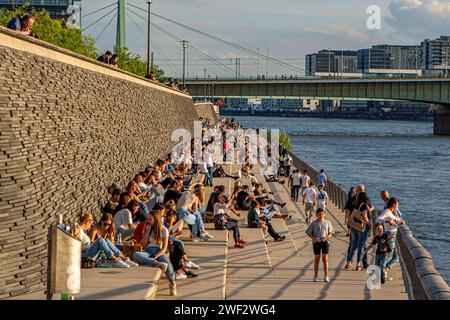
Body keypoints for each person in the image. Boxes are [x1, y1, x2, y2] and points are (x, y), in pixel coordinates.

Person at [133, 212, 177, 296]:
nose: (148, 221)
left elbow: (164, 248)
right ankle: (157, 263)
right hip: (148, 251)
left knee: (167, 263)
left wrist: (155, 256)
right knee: (136, 255)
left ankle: (173, 283)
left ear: (155, 220)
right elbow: (143, 245)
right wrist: (147, 232)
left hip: (159, 251)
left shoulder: (163, 230)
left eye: (150, 219)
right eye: (147, 219)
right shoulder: (147, 228)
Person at [375, 197, 405, 277]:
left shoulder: (392, 212)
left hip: (393, 235)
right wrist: (387, 221)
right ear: (394, 204)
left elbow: (395, 220)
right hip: (389, 234)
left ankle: (384, 271)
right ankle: (380, 271)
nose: (398, 206)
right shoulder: (387, 211)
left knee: (396, 257)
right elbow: (378, 219)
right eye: (397, 204)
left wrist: (400, 221)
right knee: (389, 256)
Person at [305, 208, 334, 282]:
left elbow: (330, 233)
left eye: (322, 214)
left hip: (325, 242)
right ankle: (315, 276)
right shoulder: (314, 223)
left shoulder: (328, 222)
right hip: (317, 242)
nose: (321, 216)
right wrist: (314, 238)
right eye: (319, 214)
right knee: (317, 259)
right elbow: (308, 232)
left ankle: (326, 276)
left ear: (325, 215)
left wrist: (326, 238)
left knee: (325, 259)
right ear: (316, 215)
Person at [345, 192, 371, 271]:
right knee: (361, 246)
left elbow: (348, 213)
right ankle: (358, 264)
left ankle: (349, 262)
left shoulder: (353, 204)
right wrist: (369, 224)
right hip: (361, 228)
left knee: (354, 245)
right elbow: (365, 217)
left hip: (353, 226)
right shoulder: (363, 205)